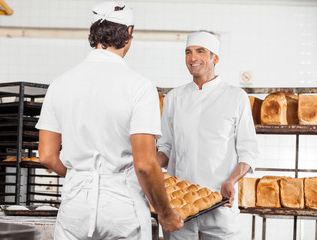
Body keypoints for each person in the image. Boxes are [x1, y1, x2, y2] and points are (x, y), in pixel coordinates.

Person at [36, 2, 183, 240]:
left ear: (94, 35)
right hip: (122, 206)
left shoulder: (60, 84)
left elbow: (47, 156)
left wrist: (80, 177)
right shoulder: (139, 86)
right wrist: (165, 213)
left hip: (75, 205)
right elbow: (145, 164)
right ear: (129, 36)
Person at [157, 31, 259, 240]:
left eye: (200, 51)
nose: (193, 58)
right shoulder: (174, 98)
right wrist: (145, 168)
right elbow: (165, 148)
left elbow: (248, 152)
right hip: (179, 209)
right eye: (188, 52)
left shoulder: (235, 97)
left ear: (215, 58)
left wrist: (231, 181)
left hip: (220, 207)